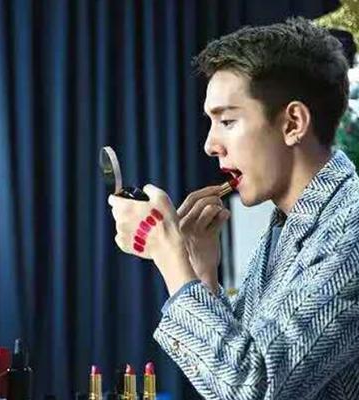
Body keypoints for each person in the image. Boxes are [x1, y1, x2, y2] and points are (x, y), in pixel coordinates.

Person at [109, 17, 359, 399]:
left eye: (227, 120)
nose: (210, 145)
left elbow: (254, 388)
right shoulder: (286, 225)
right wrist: (201, 272)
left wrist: (169, 257)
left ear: (293, 123)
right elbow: (234, 367)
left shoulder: (349, 231)